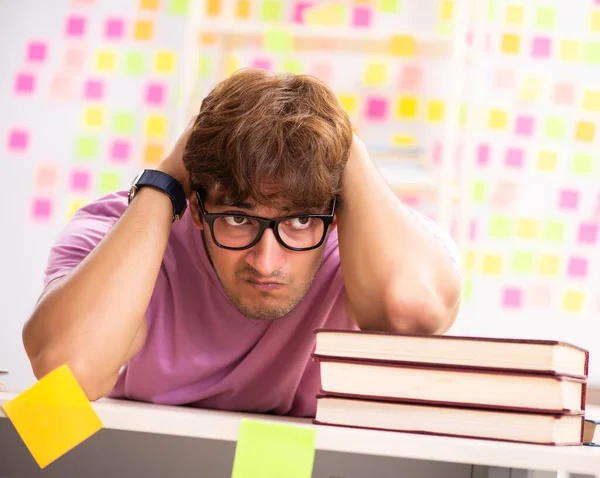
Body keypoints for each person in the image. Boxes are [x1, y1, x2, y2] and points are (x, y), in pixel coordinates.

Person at [22, 69, 461, 417]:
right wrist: (163, 183)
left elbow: (410, 314)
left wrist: (347, 144)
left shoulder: (382, 245)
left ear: (333, 213)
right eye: (236, 217)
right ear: (196, 206)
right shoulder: (116, 229)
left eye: (301, 220)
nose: (266, 262)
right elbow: (69, 373)